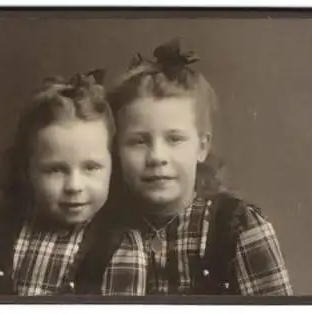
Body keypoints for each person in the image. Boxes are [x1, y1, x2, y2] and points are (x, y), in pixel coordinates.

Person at [106, 38, 293, 295]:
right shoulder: (102, 233)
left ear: (202, 147)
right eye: (139, 141)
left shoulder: (238, 229)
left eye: (174, 139)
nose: (157, 157)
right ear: (116, 148)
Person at [0, 70, 146, 296]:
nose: (74, 185)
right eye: (56, 169)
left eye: (91, 167)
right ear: (27, 170)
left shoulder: (122, 247)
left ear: (112, 167)